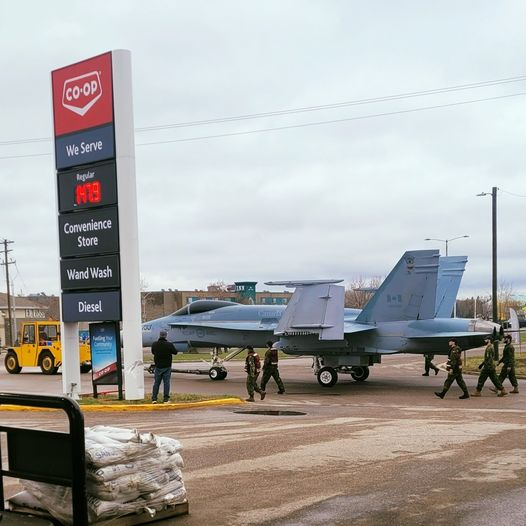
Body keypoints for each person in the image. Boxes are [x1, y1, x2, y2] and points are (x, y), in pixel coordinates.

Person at [151, 330, 178, 403]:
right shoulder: (169, 344)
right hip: (167, 366)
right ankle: (166, 399)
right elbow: (175, 352)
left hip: (158, 366)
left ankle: (154, 399)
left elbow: (153, 352)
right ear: (166, 336)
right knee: (166, 383)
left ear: (159, 335)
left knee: (156, 383)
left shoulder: (154, 344)